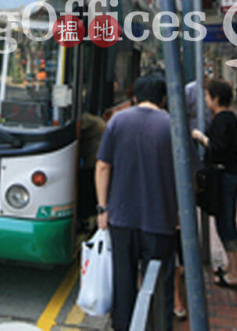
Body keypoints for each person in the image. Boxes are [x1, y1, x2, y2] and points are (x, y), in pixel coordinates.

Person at [95, 75, 176, 331]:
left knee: (124, 281)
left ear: (134, 97)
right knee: (161, 283)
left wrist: (102, 208)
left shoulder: (118, 121)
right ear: (163, 98)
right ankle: (160, 326)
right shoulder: (172, 124)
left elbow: (103, 166)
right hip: (160, 220)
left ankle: (123, 326)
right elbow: (188, 175)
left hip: (120, 218)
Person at [192, 78, 237, 289]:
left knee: (226, 220)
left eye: (207, 96)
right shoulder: (227, 117)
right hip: (228, 173)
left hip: (225, 175)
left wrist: (202, 138)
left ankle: (235, 272)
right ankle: (229, 266)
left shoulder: (223, 119)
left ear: (215, 98)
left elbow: (218, 148)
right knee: (224, 219)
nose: (205, 100)